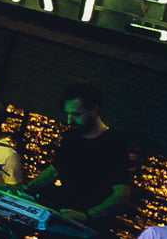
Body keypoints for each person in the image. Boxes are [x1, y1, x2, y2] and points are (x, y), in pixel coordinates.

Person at [26, 82, 130, 225]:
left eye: (76, 114)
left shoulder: (114, 142)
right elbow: (55, 169)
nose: (69, 120)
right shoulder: (71, 136)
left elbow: (122, 194)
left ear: (94, 109)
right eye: (68, 114)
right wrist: (25, 190)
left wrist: (86, 216)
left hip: (90, 224)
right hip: (62, 214)